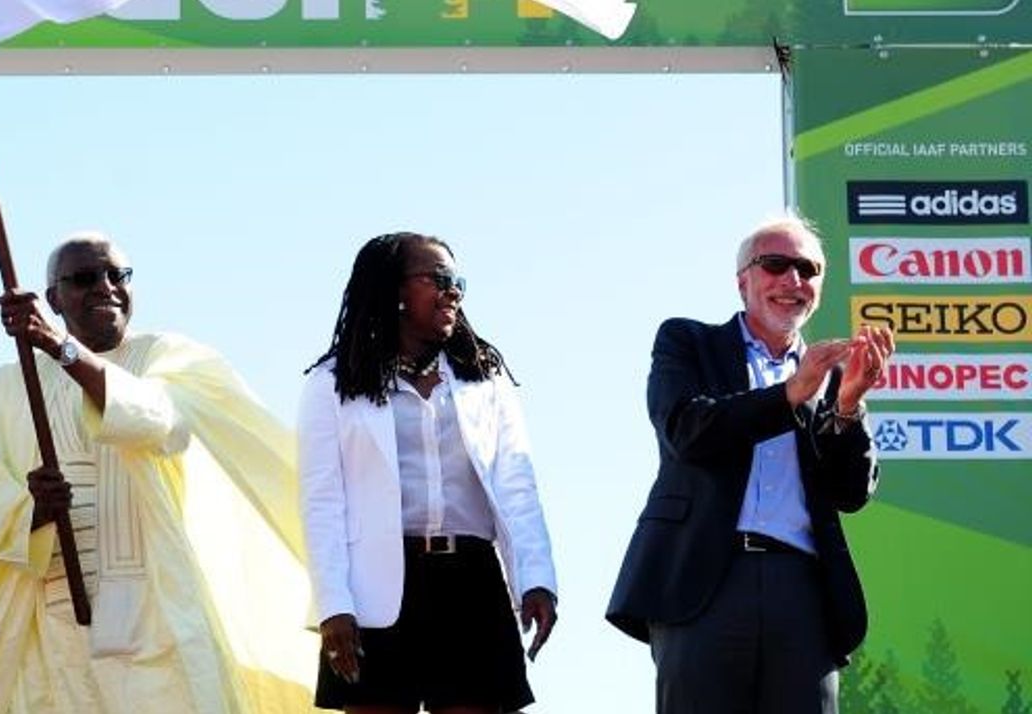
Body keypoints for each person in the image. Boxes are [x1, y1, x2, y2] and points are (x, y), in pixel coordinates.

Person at [0, 232, 314, 713]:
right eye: (86, 278)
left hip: (160, 617)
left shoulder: (169, 358)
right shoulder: (2, 392)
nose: (106, 287)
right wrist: (30, 510)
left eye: (118, 275)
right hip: (46, 628)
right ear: (53, 298)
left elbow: (157, 421)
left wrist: (58, 346)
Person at [606, 215, 894, 713]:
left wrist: (847, 407)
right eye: (775, 264)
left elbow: (851, 493)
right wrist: (788, 395)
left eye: (807, 269)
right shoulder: (688, 343)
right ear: (743, 280)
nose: (792, 280)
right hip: (704, 580)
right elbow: (686, 431)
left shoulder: (832, 374)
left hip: (802, 587)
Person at [296, 231, 558, 714]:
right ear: (394, 289)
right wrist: (334, 605)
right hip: (378, 591)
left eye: (458, 280)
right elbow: (322, 503)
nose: (453, 290)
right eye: (438, 278)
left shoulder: (486, 378)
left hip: (470, 584)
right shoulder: (332, 383)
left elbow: (517, 486)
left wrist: (535, 580)